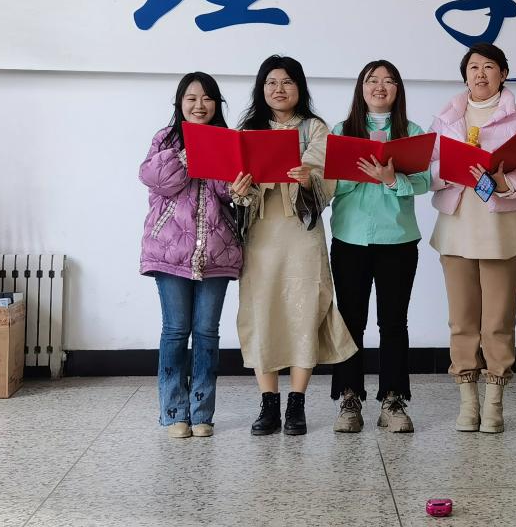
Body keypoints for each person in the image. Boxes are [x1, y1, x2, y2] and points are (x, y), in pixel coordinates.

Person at [230, 55, 356, 436]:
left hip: (302, 234)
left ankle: (296, 404)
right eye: (271, 82)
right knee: (262, 312)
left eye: (287, 82)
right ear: (261, 88)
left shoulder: (316, 128)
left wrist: (306, 180)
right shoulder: (247, 130)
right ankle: (268, 403)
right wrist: (240, 190)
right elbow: (235, 185)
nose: (279, 89)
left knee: (304, 312)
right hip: (261, 235)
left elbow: (324, 180)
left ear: (299, 87)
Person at [428, 42, 516, 433]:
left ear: (503, 74)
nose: (480, 74)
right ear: (465, 75)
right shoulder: (446, 117)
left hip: (502, 231)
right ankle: (468, 403)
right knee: (461, 320)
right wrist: (451, 170)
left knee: (498, 321)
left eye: (489, 66)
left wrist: (505, 181)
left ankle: (494, 402)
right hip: (457, 228)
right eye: (473, 67)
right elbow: (426, 168)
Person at [138, 72, 242, 439]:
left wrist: (238, 187)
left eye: (207, 98)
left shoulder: (228, 140)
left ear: (217, 104)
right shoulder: (164, 139)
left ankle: (202, 414)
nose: (200, 105)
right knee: (175, 331)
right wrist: (191, 149)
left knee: (207, 333)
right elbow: (158, 179)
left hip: (217, 250)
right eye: (191, 98)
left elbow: (227, 192)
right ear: (180, 103)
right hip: (170, 250)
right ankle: (173, 413)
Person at [328, 60, 430, 434]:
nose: (380, 86)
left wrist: (391, 179)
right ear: (361, 88)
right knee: (350, 321)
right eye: (372, 80)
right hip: (350, 239)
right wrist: (357, 175)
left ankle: (393, 399)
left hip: (398, 241)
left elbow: (426, 182)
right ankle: (349, 398)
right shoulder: (342, 131)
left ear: (398, 90)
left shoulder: (412, 132)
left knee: (393, 323)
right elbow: (328, 183)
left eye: (389, 81)